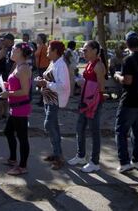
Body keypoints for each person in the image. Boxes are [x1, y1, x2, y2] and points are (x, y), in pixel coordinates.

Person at [112, 32, 138, 173]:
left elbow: (127, 80)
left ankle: (125, 163)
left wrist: (117, 76)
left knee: (120, 132)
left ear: (127, 43)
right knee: (137, 132)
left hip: (129, 101)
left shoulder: (128, 60)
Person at [67, 40, 107, 173]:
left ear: (95, 50)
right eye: (83, 50)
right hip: (85, 101)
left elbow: (101, 88)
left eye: (86, 50)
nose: (83, 52)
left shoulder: (99, 65)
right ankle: (81, 156)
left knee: (94, 132)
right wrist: (82, 82)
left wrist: (93, 101)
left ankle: (95, 162)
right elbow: (91, 82)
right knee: (80, 128)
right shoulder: (90, 64)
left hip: (93, 103)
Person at [0, 42, 33, 176]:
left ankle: (22, 166)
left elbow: (25, 91)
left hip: (21, 108)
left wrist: (8, 93)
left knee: (22, 137)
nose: (11, 51)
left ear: (20, 52)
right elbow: (17, 85)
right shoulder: (18, 66)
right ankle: (13, 159)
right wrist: (8, 86)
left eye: (13, 49)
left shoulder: (23, 68)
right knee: (8, 132)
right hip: (14, 108)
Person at [36, 41, 70, 170]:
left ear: (56, 51)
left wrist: (46, 84)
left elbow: (64, 86)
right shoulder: (53, 62)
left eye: (49, 49)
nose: (46, 51)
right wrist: (42, 83)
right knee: (53, 127)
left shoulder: (61, 65)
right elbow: (50, 80)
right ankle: (57, 154)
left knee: (49, 125)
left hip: (55, 101)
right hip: (49, 99)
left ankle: (59, 156)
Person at [35, 33, 50, 107]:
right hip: (40, 67)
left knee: (43, 84)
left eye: (38, 38)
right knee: (41, 84)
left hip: (44, 67)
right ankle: (42, 100)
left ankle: (43, 100)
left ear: (41, 39)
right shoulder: (39, 47)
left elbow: (48, 57)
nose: (37, 39)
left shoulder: (44, 47)